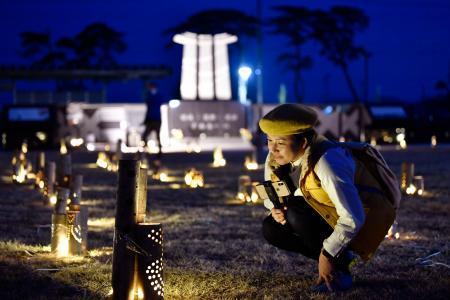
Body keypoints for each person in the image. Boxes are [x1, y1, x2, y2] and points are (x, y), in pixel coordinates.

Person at [259, 103, 395, 293]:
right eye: (269, 140)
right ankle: (342, 258)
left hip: (360, 220)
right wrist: (275, 209)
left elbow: (353, 217)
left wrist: (327, 254)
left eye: (280, 143)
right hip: (318, 214)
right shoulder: (275, 159)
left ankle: (339, 270)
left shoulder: (328, 162)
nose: (273, 149)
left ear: (303, 142)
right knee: (271, 229)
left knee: (297, 213)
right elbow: (272, 191)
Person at [142, 82, 164, 159]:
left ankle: (159, 151)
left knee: (157, 136)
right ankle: (146, 151)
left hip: (156, 119)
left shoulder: (155, 97)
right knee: (145, 136)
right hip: (152, 119)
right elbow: (148, 109)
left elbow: (150, 108)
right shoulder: (150, 96)